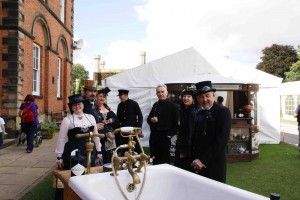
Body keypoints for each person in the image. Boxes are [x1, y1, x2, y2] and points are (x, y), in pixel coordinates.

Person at [55, 94, 103, 200]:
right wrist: (59, 157)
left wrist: (99, 151)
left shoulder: (90, 118)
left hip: (90, 151)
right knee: (74, 178)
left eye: (79, 104)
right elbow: (61, 139)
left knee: (90, 176)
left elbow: (95, 136)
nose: (77, 106)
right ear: (71, 107)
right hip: (73, 153)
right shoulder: (67, 120)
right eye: (74, 105)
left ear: (83, 105)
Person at [191, 81, 231, 183]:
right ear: (197, 99)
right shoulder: (200, 113)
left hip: (214, 163)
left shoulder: (223, 111)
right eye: (201, 97)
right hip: (199, 162)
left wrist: (203, 160)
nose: (204, 99)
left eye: (207, 96)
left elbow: (221, 140)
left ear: (213, 95)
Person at [147, 84, 179, 165]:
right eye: (158, 92)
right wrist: (151, 119)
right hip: (154, 137)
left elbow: (176, 125)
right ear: (156, 94)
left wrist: (169, 135)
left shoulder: (174, 106)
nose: (161, 94)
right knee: (154, 159)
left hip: (165, 137)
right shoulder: (155, 105)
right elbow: (148, 119)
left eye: (162, 92)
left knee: (165, 161)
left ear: (167, 92)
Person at [174, 87, 198, 171]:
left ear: (193, 99)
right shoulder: (183, 111)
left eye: (188, 96)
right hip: (180, 145)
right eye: (184, 96)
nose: (186, 98)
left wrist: (184, 152)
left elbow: (190, 133)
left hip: (186, 150)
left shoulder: (192, 113)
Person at [96, 87, 120, 164]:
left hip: (111, 137)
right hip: (101, 137)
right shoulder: (93, 109)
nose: (102, 98)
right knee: (103, 158)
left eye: (104, 97)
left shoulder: (108, 108)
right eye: (100, 96)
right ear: (96, 97)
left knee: (112, 157)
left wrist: (111, 120)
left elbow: (116, 120)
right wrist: (101, 121)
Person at [116, 89, 143, 153]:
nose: (119, 97)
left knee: (136, 148)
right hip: (123, 131)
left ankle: (137, 162)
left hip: (133, 130)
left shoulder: (134, 103)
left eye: (121, 95)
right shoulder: (119, 106)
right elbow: (118, 118)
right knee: (125, 148)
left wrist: (139, 128)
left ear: (126, 95)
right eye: (119, 95)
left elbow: (140, 116)